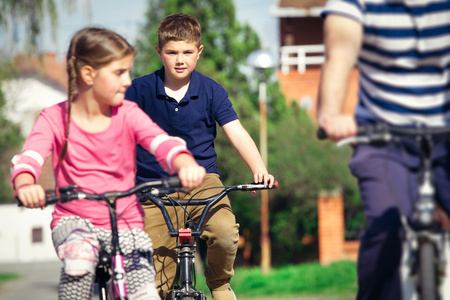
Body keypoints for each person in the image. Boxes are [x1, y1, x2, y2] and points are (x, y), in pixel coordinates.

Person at [11, 27, 206, 300]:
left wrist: (184, 162)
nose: (128, 81)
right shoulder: (55, 118)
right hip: (75, 221)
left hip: (126, 220)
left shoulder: (128, 114)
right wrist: (25, 184)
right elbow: (30, 157)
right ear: (89, 75)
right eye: (119, 73)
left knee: (144, 291)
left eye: (128, 71)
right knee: (79, 261)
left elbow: (160, 142)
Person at [125, 13, 275, 300]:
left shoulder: (211, 91)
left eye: (187, 52)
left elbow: (237, 132)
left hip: (203, 180)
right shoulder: (139, 91)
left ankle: (219, 283)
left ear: (199, 52)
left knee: (224, 231)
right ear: (159, 52)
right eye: (172, 52)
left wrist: (260, 169)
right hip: (154, 187)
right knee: (157, 271)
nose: (180, 59)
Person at [317, 1, 450, 299]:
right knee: (389, 229)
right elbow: (338, 55)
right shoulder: (356, 4)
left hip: (445, 136)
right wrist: (330, 113)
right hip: (382, 139)